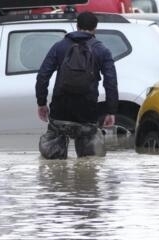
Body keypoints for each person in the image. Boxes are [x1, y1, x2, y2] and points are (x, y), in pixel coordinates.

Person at [35, 11, 119, 159]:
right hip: (87, 111)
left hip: (60, 110)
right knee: (90, 164)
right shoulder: (102, 51)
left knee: (54, 166)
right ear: (95, 28)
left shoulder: (59, 47)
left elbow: (43, 75)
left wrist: (42, 103)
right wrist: (111, 111)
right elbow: (110, 82)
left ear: (77, 26)